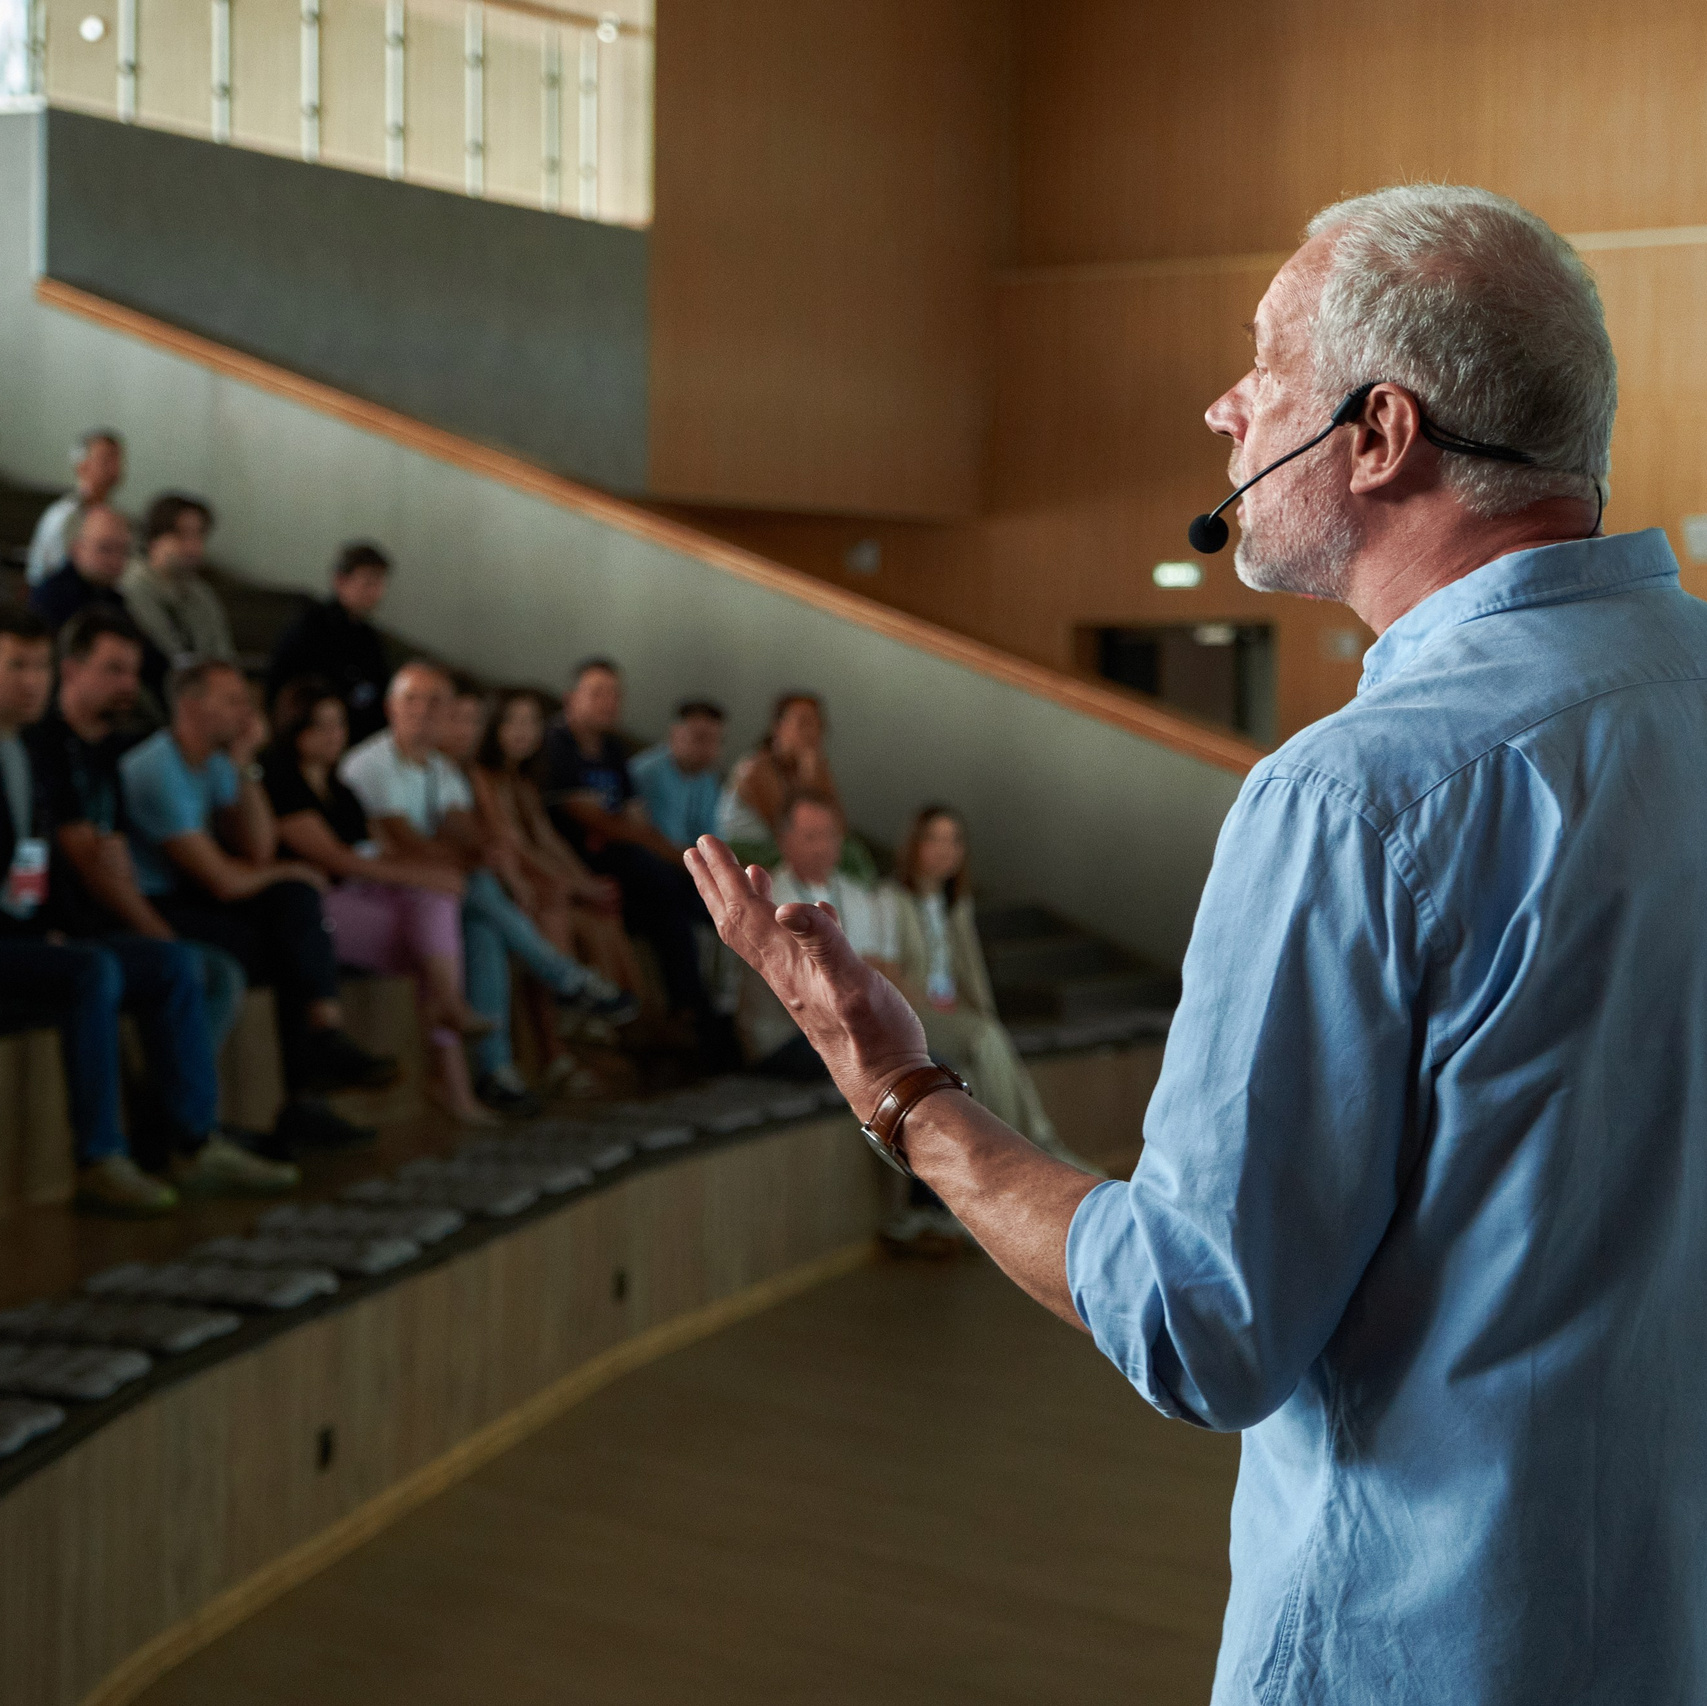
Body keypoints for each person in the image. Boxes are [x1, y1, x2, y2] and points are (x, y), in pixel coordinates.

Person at [690, 184, 1707, 1703]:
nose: (1223, 405)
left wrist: (902, 1089)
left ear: (1376, 434)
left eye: (1264, 361)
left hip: (1414, 1648)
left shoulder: (1350, 799)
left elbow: (1200, 1320)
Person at [0, 608, 295, 1213]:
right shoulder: (41, 748)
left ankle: (192, 1140)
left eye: (38, 666)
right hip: (18, 939)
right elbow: (71, 858)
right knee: (96, 971)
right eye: (15, 666)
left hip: (36, 930)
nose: (32, 681)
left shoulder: (32, 752)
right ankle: (101, 1157)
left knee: (172, 966)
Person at [122, 659, 398, 1153]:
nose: (246, 713)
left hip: (198, 897)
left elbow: (257, 849)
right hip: (153, 906)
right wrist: (290, 872)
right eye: (233, 702)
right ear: (191, 705)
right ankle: (184, 1114)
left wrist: (248, 764)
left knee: (293, 908)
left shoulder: (217, 762)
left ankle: (316, 1056)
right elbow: (225, 881)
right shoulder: (155, 768)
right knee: (289, 926)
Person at [341, 663, 629, 1116]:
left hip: (434, 894)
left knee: (485, 925)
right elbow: (405, 843)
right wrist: (475, 859)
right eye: (413, 700)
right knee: (475, 888)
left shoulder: (441, 769)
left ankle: (497, 1073)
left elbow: (470, 835)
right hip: (375, 896)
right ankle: (561, 978)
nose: (425, 711)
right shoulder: (369, 764)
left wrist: (487, 855)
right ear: (390, 707)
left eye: (437, 701)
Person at [264, 678, 494, 1124]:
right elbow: (337, 860)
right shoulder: (282, 783)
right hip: (315, 908)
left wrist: (429, 874)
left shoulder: (340, 789)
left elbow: (375, 850)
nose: (336, 736)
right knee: (434, 936)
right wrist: (419, 872)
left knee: (435, 909)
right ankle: (453, 1074)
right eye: (324, 727)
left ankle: (450, 1035)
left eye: (339, 725)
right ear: (298, 731)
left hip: (360, 898)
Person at [29, 608, 247, 1071]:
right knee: (183, 966)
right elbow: (89, 859)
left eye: (133, 671)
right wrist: (162, 938)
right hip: (65, 925)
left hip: (106, 918)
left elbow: (115, 858)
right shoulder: (44, 745)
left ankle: (188, 1122)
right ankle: (177, 1128)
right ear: (70, 670)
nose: (129, 684)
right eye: (113, 669)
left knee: (224, 966)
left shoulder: (113, 751)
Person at [543, 657, 732, 1065]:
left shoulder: (613, 748)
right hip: (578, 863)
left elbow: (632, 822)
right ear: (570, 699)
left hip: (626, 863)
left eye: (615, 694)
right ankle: (693, 1016)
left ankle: (693, 1015)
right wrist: (662, 849)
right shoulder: (557, 744)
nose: (609, 703)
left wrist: (640, 837)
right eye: (597, 693)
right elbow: (601, 823)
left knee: (677, 908)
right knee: (673, 890)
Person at [886, 806, 1092, 1172]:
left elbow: (969, 978)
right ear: (914, 844)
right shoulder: (890, 899)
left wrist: (976, 1011)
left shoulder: (955, 904)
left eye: (954, 840)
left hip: (954, 1014)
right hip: (915, 1015)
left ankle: (1023, 1156)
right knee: (984, 1038)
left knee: (983, 1055)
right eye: (934, 838)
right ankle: (1033, 1150)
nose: (945, 849)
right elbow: (891, 976)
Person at [472, 688, 644, 1077]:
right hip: (504, 885)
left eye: (531, 722)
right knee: (553, 908)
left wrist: (585, 883)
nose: (522, 731)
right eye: (512, 721)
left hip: (535, 882)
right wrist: (572, 885)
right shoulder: (483, 776)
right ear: (493, 726)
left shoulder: (524, 781)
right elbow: (512, 845)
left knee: (602, 913)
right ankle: (559, 1042)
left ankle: (610, 1019)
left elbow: (548, 842)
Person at [735, 791, 896, 1080]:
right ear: (784, 841)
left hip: (850, 1027)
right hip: (784, 1035)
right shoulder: (767, 899)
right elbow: (801, 986)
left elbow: (875, 967)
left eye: (830, 836)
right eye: (811, 837)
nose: (823, 846)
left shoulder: (857, 895)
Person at [716, 692, 876, 880]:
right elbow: (790, 830)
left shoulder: (814, 768)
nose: (812, 733)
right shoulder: (756, 769)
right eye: (804, 723)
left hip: (783, 849)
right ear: (778, 728)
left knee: (852, 853)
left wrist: (816, 772)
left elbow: (838, 830)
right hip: (748, 851)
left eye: (818, 725)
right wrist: (811, 775)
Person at [266, 542, 395, 745]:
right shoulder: (310, 628)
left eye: (380, 583)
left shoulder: (368, 636)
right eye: (368, 582)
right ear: (341, 580)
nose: (376, 592)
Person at [120, 493, 236, 711]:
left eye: (199, 535)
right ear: (155, 538)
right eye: (182, 535)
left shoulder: (202, 594)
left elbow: (222, 655)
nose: (193, 546)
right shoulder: (133, 587)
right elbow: (167, 653)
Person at [25, 428, 125, 586]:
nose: (115, 467)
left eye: (118, 459)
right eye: (106, 459)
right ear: (82, 466)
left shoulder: (112, 515)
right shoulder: (65, 516)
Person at [630, 700, 726, 850]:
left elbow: (712, 836)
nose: (709, 749)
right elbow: (664, 842)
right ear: (674, 733)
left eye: (716, 741)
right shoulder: (648, 773)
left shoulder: (707, 778)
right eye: (700, 738)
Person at [29, 504, 132, 631]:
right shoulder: (51, 598)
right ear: (77, 548)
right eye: (105, 549)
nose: (116, 561)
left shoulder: (113, 598)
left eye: (124, 551)